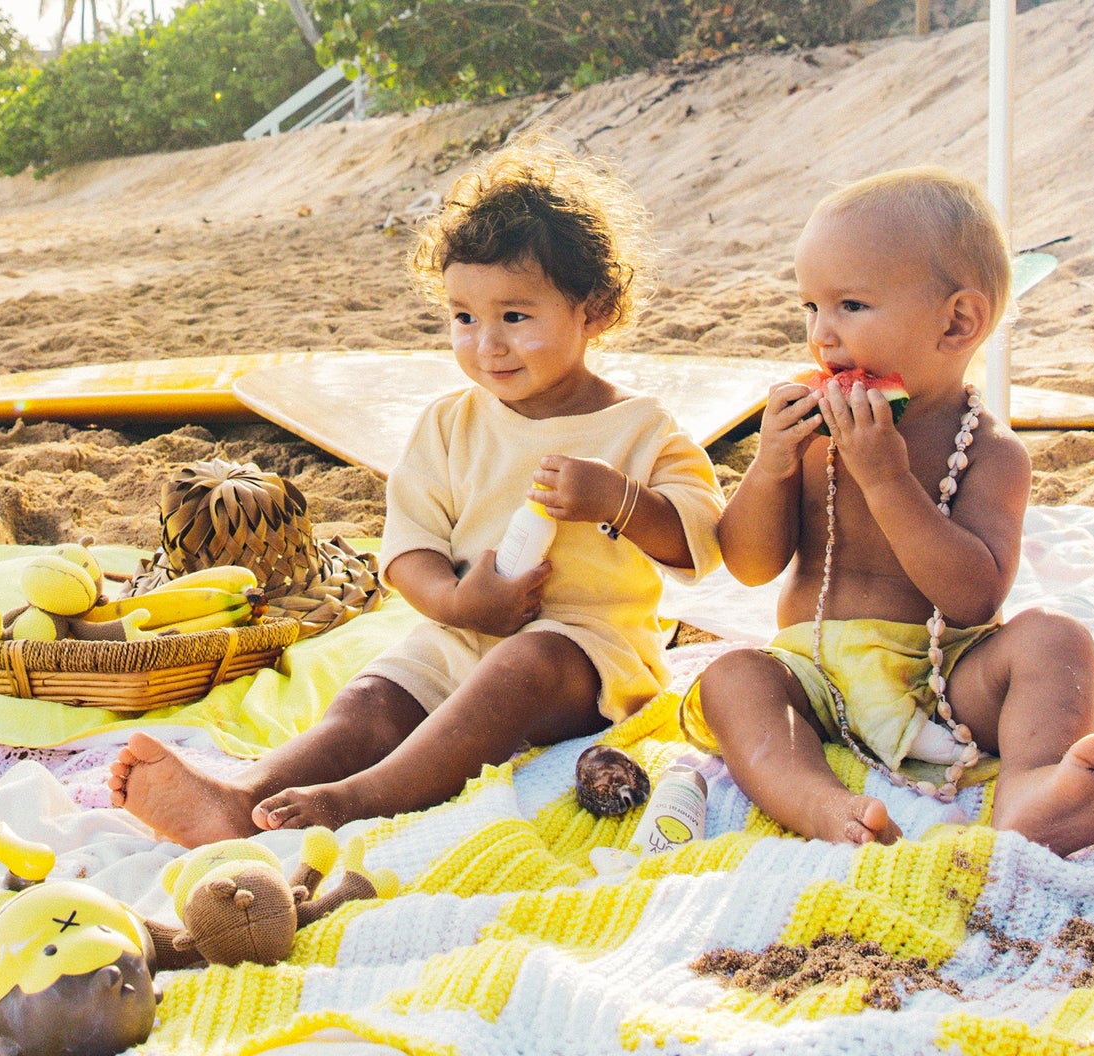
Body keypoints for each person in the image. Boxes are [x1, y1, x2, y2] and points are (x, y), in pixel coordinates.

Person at [110, 146, 723, 846]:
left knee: (522, 666)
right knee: (372, 699)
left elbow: (700, 544)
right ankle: (241, 794)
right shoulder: (450, 423)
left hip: (587, 659)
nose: (487, 345)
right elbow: (409, 550)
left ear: (597, 310)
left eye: (515, 317)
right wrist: (461, 602)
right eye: (464, 317)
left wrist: (620, 501)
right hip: (464, 630)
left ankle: (356, 800)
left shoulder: (638, 429)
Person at [685, 168, 1094, 857]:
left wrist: (889, 480)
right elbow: (748, 565)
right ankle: (815, 800)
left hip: (944, 678)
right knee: (732, 678)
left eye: (851, 307)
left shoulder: (990, 452)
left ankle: (1033, 790)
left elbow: (973, 596)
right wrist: (770, 465)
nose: (821, 336)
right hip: (818, 676)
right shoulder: (809, 432)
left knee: (1057, 641)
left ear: (957, 322)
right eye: (810, 307)